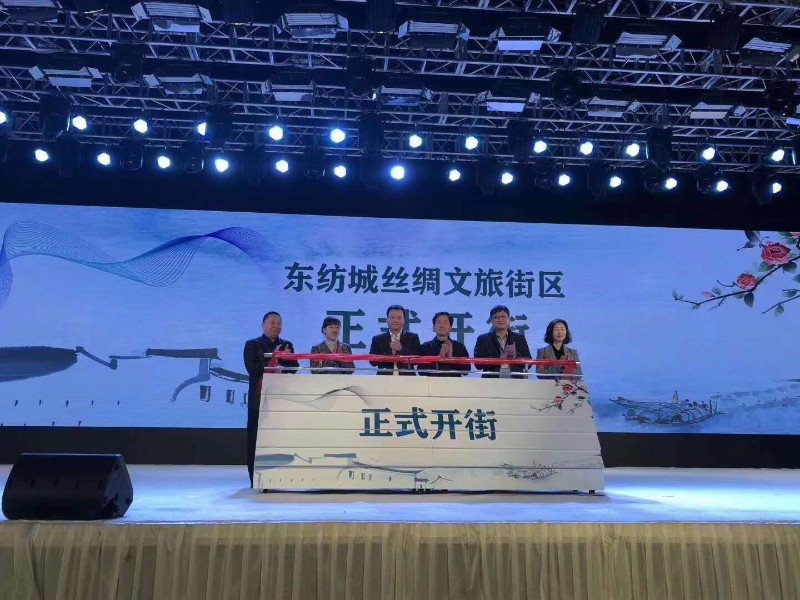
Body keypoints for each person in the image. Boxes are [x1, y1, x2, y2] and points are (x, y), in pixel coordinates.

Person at [243, 311, 299, 486]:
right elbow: (252, 369)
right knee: (255, 439)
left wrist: (287, 359)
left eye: (279, 323)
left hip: (281, 399)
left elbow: (294, 368)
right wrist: (274, 358)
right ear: (263, 325)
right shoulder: (252, 344)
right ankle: (255, 479)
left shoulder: (287, 344)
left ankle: (277, 477)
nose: (276, 326)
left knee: (279, 438)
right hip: (258, 399)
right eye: (272, 322)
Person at [473, 305, 532, 378]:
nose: (500, 319)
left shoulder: (519, 338)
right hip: (491, 380)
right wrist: (500, 357)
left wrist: (515, 355)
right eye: (496, 317)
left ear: (509, 319)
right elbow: (478, 364)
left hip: (515, 379)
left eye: (503, 316)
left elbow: (529, 363)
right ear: (491, 321)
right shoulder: (483, 339)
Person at [369, 305, 421, 375]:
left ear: (404, 320)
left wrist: (401, 349)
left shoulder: (413, 337)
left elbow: (418, 359)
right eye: (392, 317)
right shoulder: (378, 339)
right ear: (387, 320)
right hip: (384, 378)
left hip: (407, 378)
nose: (395, 320)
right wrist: (391, 353)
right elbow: (372, 362)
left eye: (399, 318)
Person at [418, 312, 471, 377]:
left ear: (450, 327)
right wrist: (439, 357)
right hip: (432, 382)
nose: (441, 326)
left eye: (445, 322)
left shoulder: (459, 346)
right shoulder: (425, 347)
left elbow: (466, 371)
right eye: (438, 322)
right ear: (434, 327)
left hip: (454, 382)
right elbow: (421, 371)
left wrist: (452, 359)